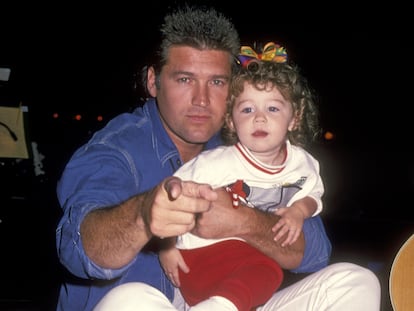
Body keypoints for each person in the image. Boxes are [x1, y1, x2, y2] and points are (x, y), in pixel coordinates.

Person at [55, 5, 381, 311]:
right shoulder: (117, 149)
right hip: (152, 303)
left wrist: (245, 221)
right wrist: (144, 215)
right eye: (185, 79)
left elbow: (314, 253)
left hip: (227, 302)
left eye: (217, 82)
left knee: (356, 282)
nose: (202, 99)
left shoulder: (242, 142)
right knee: (130, 299)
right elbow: (78, 250)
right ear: (153, 81)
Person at [158, 42, 325, 311]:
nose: (259, 119)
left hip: (241, 264)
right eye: (247, 110)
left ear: (295, 117)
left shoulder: (303, 164)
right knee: (268, 269)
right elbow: (170, 196)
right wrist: (165, 246)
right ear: (231, 121)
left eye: (272, 109)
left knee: (267, 272)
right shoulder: (217, 162)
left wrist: (299, 212)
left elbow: (314, 194)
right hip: (195, 256)